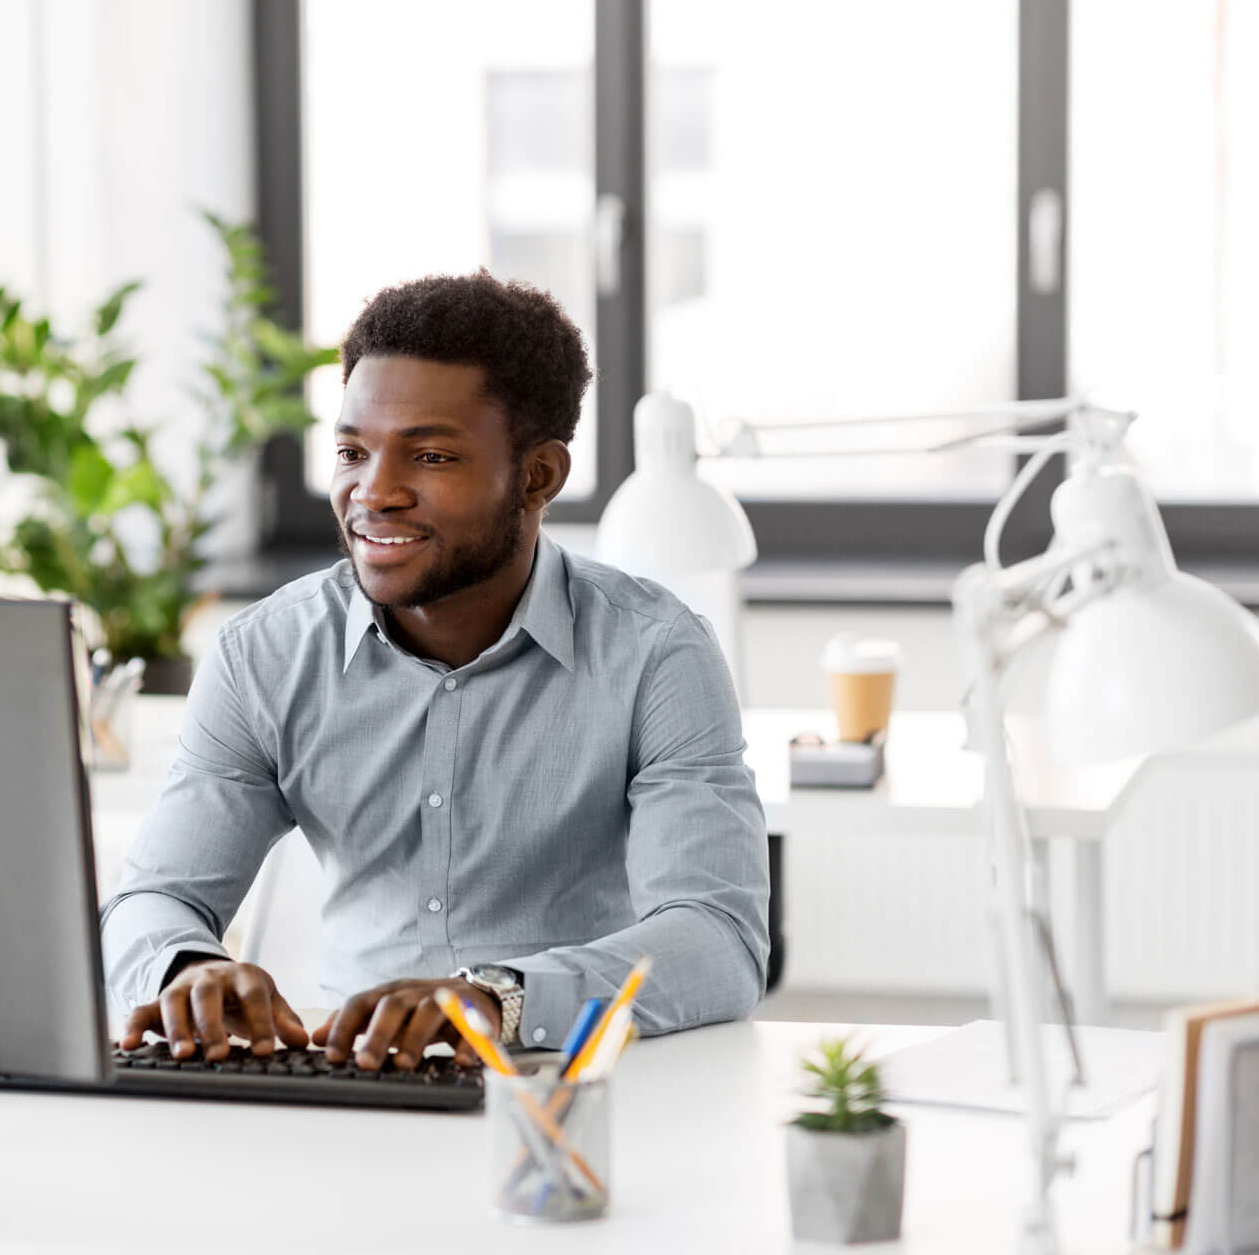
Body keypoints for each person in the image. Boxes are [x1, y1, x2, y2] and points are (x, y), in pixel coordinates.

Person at [101, 270, 768, 1071]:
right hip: (346, 1087)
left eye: (430, 455)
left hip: (573, 1087)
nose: (372, 493)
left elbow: (717, 938)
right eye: (352, 451)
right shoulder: (265, 655)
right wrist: (185, 968)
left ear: (538, 477)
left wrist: (497, 998)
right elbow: (153, 898)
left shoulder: (656, 654)